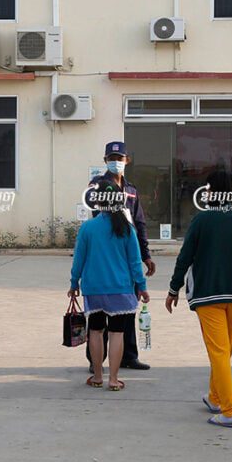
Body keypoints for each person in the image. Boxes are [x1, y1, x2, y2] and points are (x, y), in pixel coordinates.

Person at [165, 171, 232, 428]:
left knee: (218, 352)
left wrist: (174, 289)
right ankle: (215, 397)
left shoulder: (201, 221)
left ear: (208, 192)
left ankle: (229, 410)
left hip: (207, 296)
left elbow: (185, 257)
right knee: (224, 351)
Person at [69, 183, 149, 391]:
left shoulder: (88, 228)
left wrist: (73, 282)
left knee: (95, 331)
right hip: (120, 289)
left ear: (98, 201)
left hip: (93, 289)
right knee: (116, 333)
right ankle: (113, 379)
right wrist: (141, 285)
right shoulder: (127, 229)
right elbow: (134, 261)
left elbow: (79, 258)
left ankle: (97, 376)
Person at [85, 140, 154, 373]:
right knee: (99, 315)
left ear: (127, 161)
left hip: (128, 254)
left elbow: (140, 223)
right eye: (112, 159)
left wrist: (146, 255)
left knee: (127, 308)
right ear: (105, 161)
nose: (116, 163)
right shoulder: (97, 186)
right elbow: (98, 220)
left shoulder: (132, 190)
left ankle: (128, 356)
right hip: (107, 255)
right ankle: (96, 361)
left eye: (120, 159)